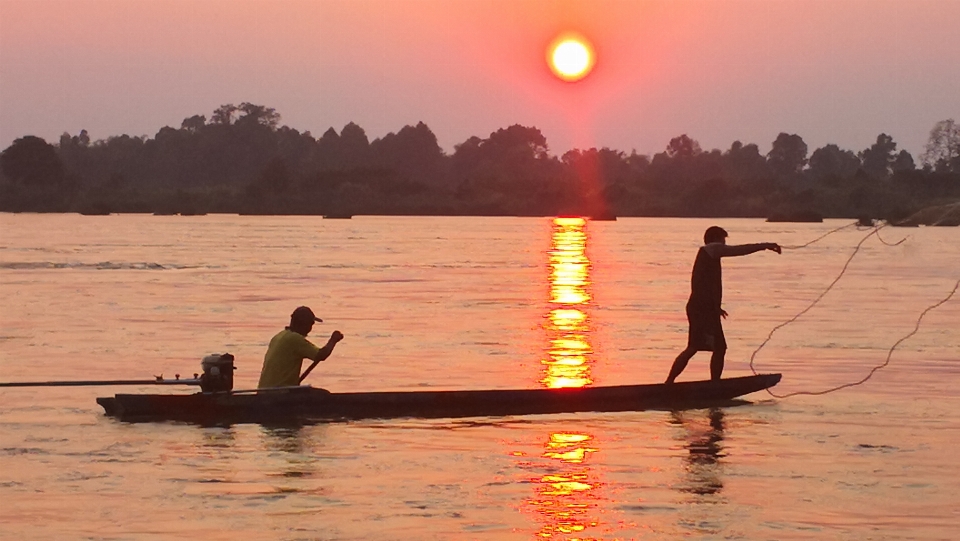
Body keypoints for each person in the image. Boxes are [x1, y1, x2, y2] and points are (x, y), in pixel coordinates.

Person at [665, 226, 781, 383]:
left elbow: (706, 284)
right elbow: (739, 250)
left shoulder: (709, 254)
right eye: (723, 240)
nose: (725, 243)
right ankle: (702, 384)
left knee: (707, 347)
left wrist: (716, 307)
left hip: (703, 308)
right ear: (717, 239)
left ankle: (704, 383)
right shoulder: (711, 249)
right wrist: (765, 245)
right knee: (699, 347)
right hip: (701, 309)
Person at [257, 306, 344, 388]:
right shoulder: (295, 339)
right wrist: (333, 341)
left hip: (264, 390)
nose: (310, 329)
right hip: (280, 392)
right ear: (304, 324)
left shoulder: (278, 336)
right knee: (323, 396)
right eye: (311, 324)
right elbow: (321, 355)